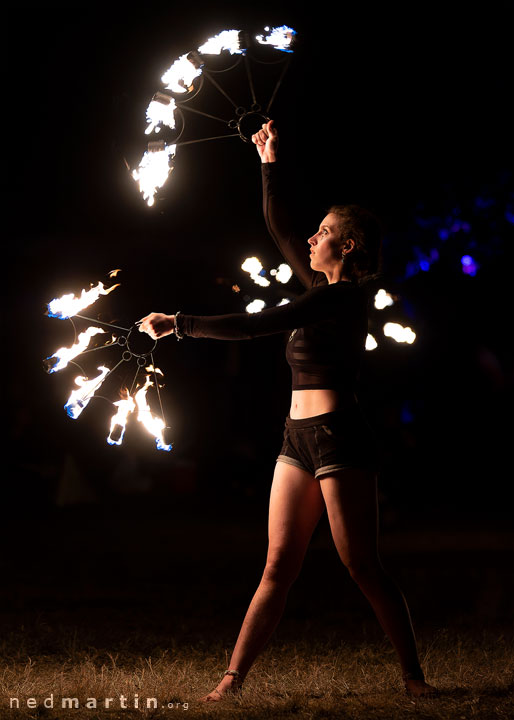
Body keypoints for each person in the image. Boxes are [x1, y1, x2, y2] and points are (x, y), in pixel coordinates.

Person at [139, 121, 438, 700]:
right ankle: (231, 681)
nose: (311, 239)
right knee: (277, 567)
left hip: (338, 437)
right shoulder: (318, 288)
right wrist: (269, 160)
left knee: (362, 566)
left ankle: (413, 677)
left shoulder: (343, 298)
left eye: (324, 232)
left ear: (346, 246)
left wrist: (180, 325)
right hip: (295, 437)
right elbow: (279, 229)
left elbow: (256, 326)